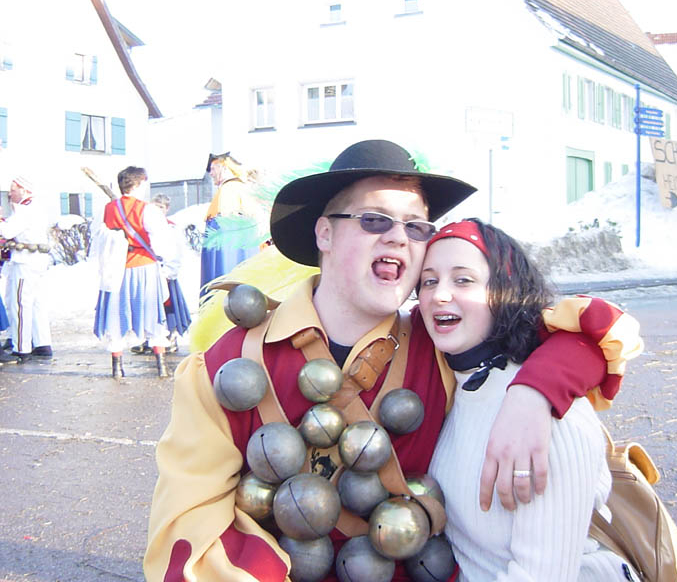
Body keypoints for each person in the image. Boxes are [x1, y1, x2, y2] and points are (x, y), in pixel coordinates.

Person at [144, 139, 641, 581]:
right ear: (325, 234)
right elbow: (188, 532)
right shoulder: (225, 365)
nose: (399, 237)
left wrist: (535, 391)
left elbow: (591, 329)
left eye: (417, 226)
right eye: (374, 220)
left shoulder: (442, 342)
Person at [424, 219, 640, 581]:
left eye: (463, 280)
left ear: (506, 291)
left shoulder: (547, 416)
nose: (439, 295)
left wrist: (534, 394)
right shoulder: (450, 378)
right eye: (429, 281)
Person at [93, 166, 173, 380]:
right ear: (138, 184)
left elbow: (98, 238)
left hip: (116, 270)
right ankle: (161, 367)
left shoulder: (107, 209)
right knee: (153, 315)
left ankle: (117, 368)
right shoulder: (148, 210)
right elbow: (162, 242)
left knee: (116, 317)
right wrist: (166, 262)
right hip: (144, 267)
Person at [0, 176, 53, 364]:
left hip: (25, 261)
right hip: (37, 261)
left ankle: (21, 347)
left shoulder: (24, 209)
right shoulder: (37, 207)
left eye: (13, 190)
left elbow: (7, 231)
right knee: (37, 304)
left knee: (21, 305)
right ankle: (42, 343)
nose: (10, 194)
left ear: (24, 190)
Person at [130, 193, 191, 355]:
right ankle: (150, 338)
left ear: (167, 209)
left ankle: (171, 337)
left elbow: (176, 250)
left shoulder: (171, 227)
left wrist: (170, 271)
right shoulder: (146, 226)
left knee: (168, 305)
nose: (158, 210)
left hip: (166, 271)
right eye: (155, 207)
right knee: (149, 305)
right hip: (150, 270)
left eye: (161, 207)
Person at [200, 152, 259, 300]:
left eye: (213, 169)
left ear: (224, 168)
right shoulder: (237, 189)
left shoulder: (229, 190)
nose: (211, 173)